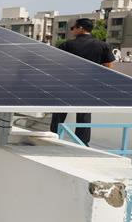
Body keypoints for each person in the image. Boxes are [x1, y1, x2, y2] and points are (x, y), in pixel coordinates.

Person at [49, 18, 114, 146]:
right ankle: (82, 143)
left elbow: (57, 65)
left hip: (67, 84)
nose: (72, 30)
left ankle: (53, 137)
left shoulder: (67, 45)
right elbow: (108, 67)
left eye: (73, 28)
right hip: (89, 86)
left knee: (59, 114)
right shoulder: (103, 45)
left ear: (81, 28)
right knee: (84, 115)